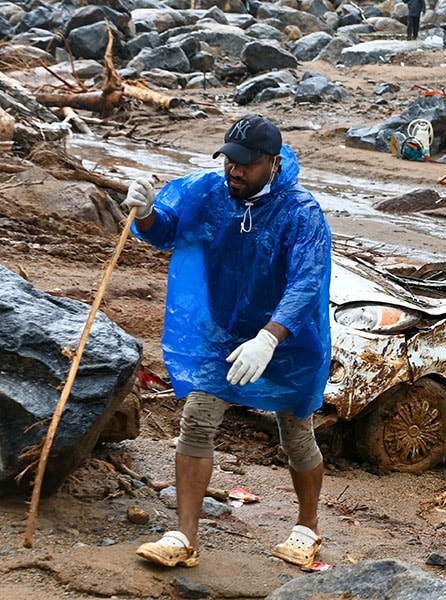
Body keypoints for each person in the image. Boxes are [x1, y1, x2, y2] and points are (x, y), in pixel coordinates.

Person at [125, 115, 332, 569]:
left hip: (288, 343)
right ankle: (184, 536)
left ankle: (307, 528)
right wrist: (146, 213)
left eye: (246, 164)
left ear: (273, 163)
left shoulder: (301, 212)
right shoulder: (211, 192)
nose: (234, 172)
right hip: (222, 335)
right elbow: (167, 231)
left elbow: (305, 283)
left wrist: (269, 339)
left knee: (296, 433)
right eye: (229, 161)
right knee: (197, 420)